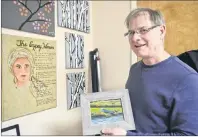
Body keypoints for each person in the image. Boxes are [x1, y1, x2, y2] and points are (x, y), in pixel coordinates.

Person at [101, 8, 198, 135]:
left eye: (143, 30)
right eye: (131, 32)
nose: (135, 38)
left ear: (161, 31)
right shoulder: (134, 69)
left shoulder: (187, 78)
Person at [2, 48, 49, 121]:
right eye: (18, 66)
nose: (23, 71)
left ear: (31, 68)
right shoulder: (8, 92)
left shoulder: (40, 89)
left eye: (26, 66)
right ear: (12, 69)